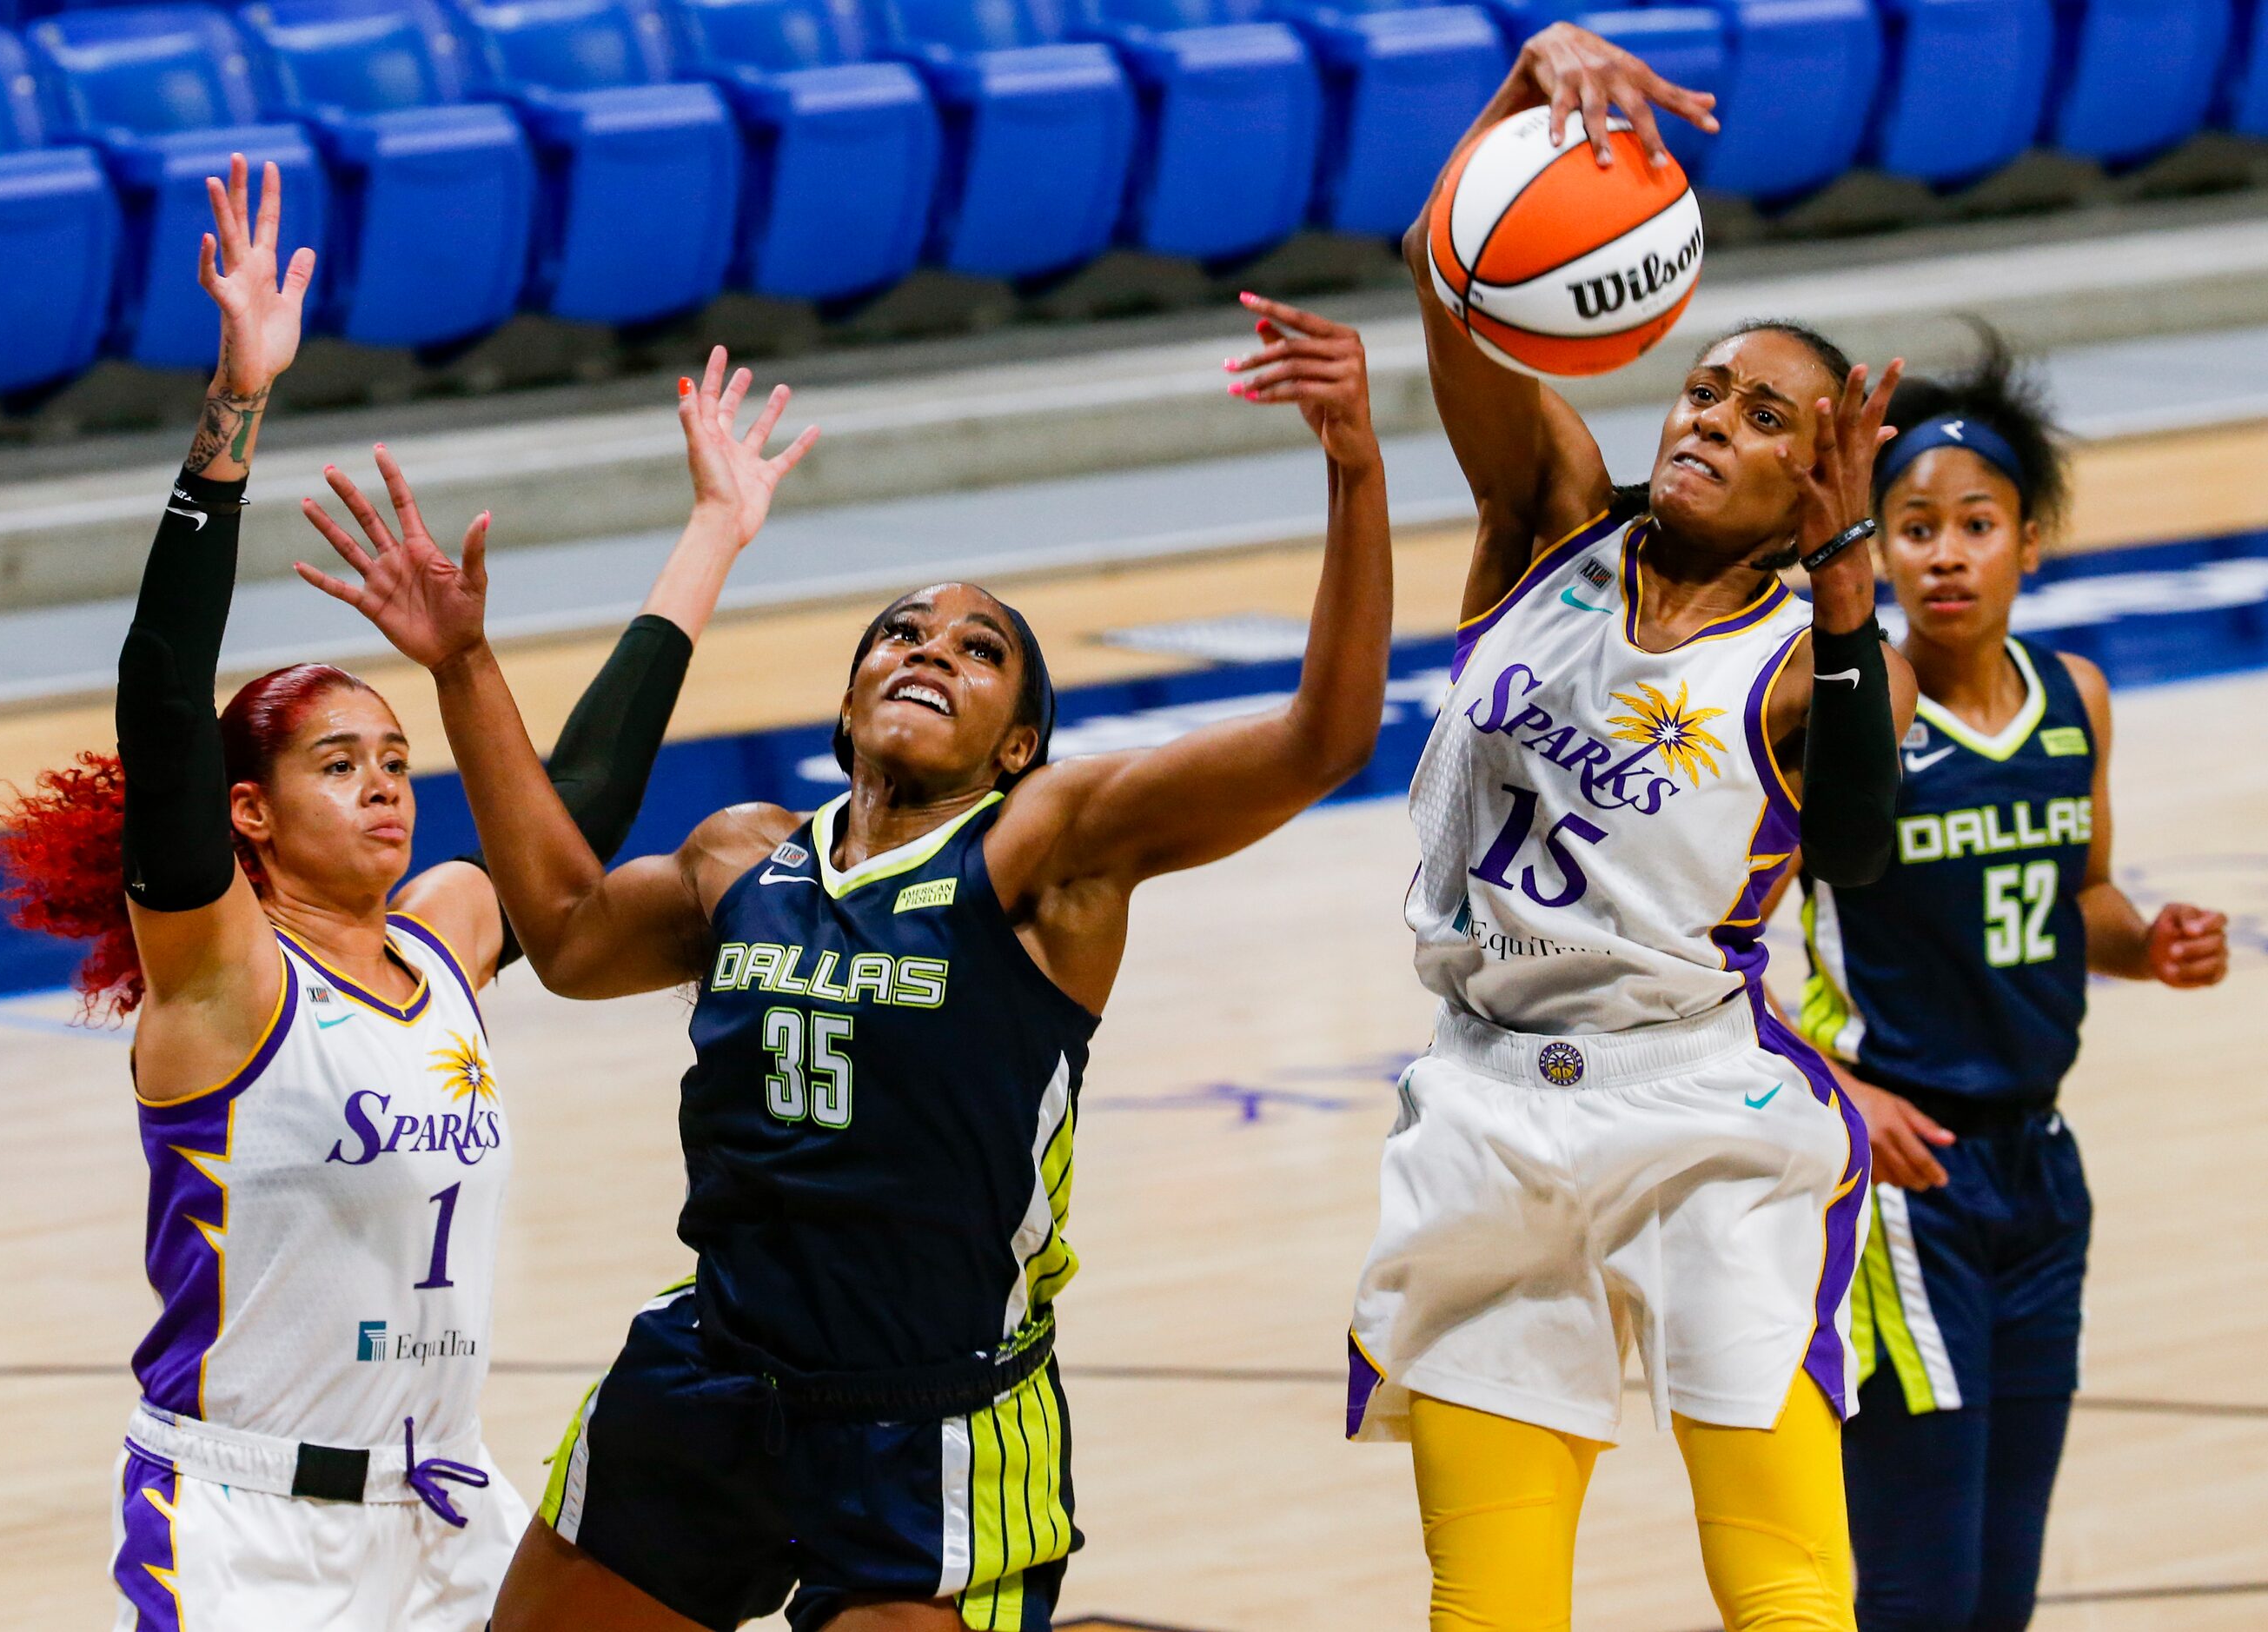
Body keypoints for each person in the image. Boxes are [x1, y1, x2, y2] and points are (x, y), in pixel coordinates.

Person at [295, 292, 1393, 1632]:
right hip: (709, 1377)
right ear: (849, 702)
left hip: (926, 1418)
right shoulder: (739, 857)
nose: (933, 646)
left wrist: (1351, 463)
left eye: (981, 650)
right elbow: (571, 938)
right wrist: (465, 661)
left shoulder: (1043, 849)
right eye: (903, 631)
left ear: (1015, 750)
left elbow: (1322, 741)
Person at [0, 156, 812, 1630]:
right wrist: (233, 413)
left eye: (394, 756)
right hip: (246, 1526)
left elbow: (578, 807)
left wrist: (712, 535)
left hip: (443, 1511)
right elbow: (164, 695)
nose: (387, 782)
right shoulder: (221, 976)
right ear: (248, 811)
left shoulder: (440, 938)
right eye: (338, 763)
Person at [1339, 23, 1921, 1632]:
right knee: (1491, 1598)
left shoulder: (1809, 651)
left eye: (1757, 417)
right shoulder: (1549, 521)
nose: (1704, 420)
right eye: (1700, 389)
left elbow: (1858, 850)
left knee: (1785, 1587)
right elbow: (1442, 269)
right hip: (1480, 1094)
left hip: (1701, 1104)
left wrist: (1859, 588)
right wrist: (1525, 95)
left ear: (1819, 477)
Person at [1781, 335, 2229, 1631]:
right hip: (1902, 1179)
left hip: (2040, 1169)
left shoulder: (2072, 699)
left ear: (2028, 540)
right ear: (1876, 546)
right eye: (1911, 525)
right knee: (1925, 1588)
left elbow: (2083, 891)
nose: (1943, 551)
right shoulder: (1865, 708)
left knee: (2001, 1592)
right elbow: (1727, 929)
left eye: (1974, 522)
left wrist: (2148, 943)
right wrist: (1835, 1086)